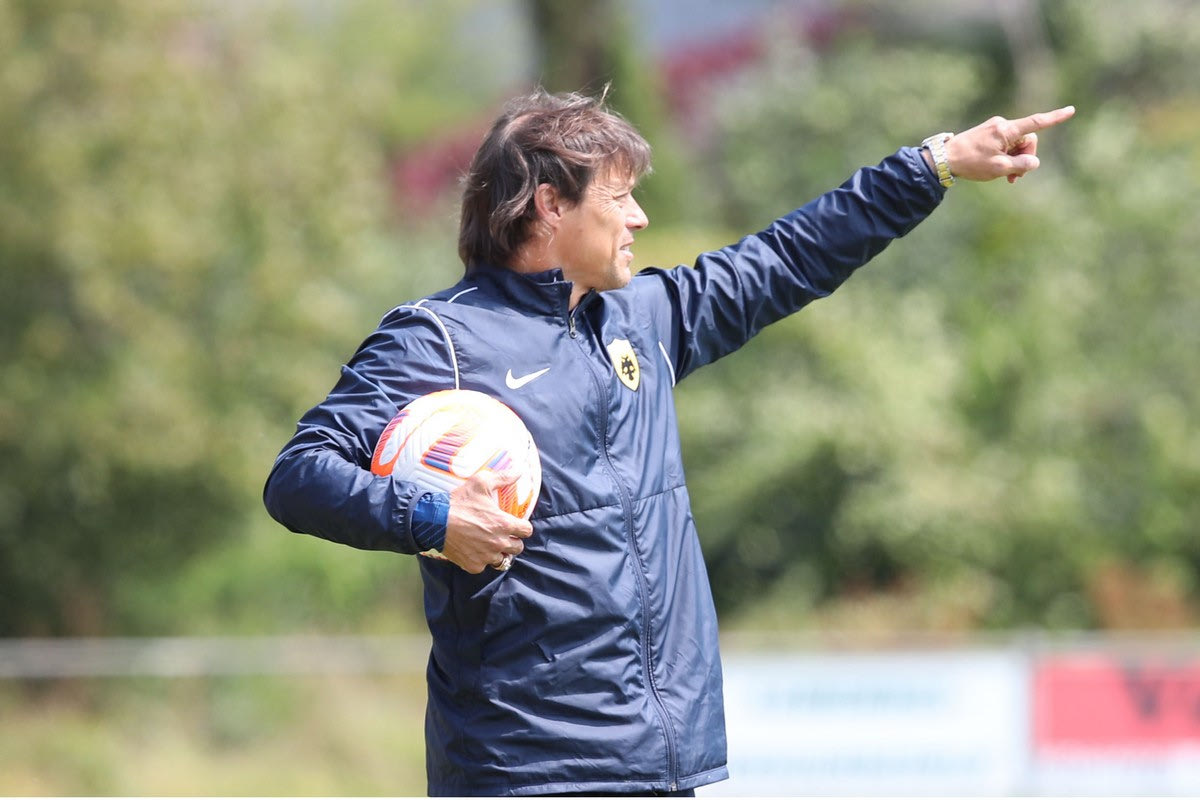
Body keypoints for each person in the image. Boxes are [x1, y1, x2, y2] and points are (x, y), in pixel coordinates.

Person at [263, 87, 1074, 796]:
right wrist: (434, 518)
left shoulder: (642, 321)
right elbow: (299, 476)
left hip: (659, 764)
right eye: (620, 198)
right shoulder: (438, 340)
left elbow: (787, 258)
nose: (639, 218)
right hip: (527, 767)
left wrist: (933, 165)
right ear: (550, 205)